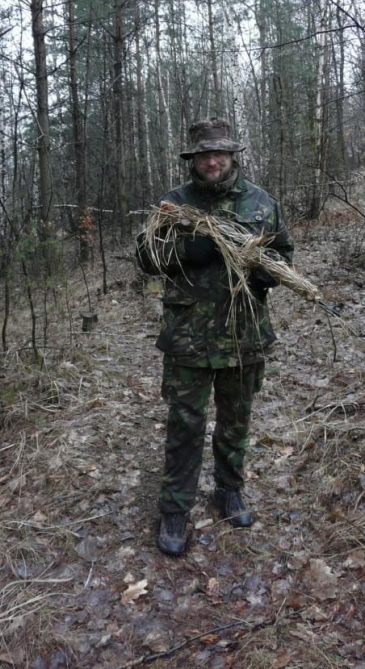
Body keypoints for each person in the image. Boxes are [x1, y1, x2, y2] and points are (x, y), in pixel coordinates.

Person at [136, 119, 294, 556]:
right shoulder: (173, 205)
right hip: (188, 337)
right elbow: (145, 256)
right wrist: (188, 250)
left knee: (235, 420)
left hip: (245, 335)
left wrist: (269, 273)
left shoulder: (261, 203)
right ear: (193, 159)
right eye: (204, 154)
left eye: (219, 153)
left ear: (232, 156)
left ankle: (228, 490)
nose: (212, 161)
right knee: (184, 426)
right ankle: (175, 508)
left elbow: (284, 252)